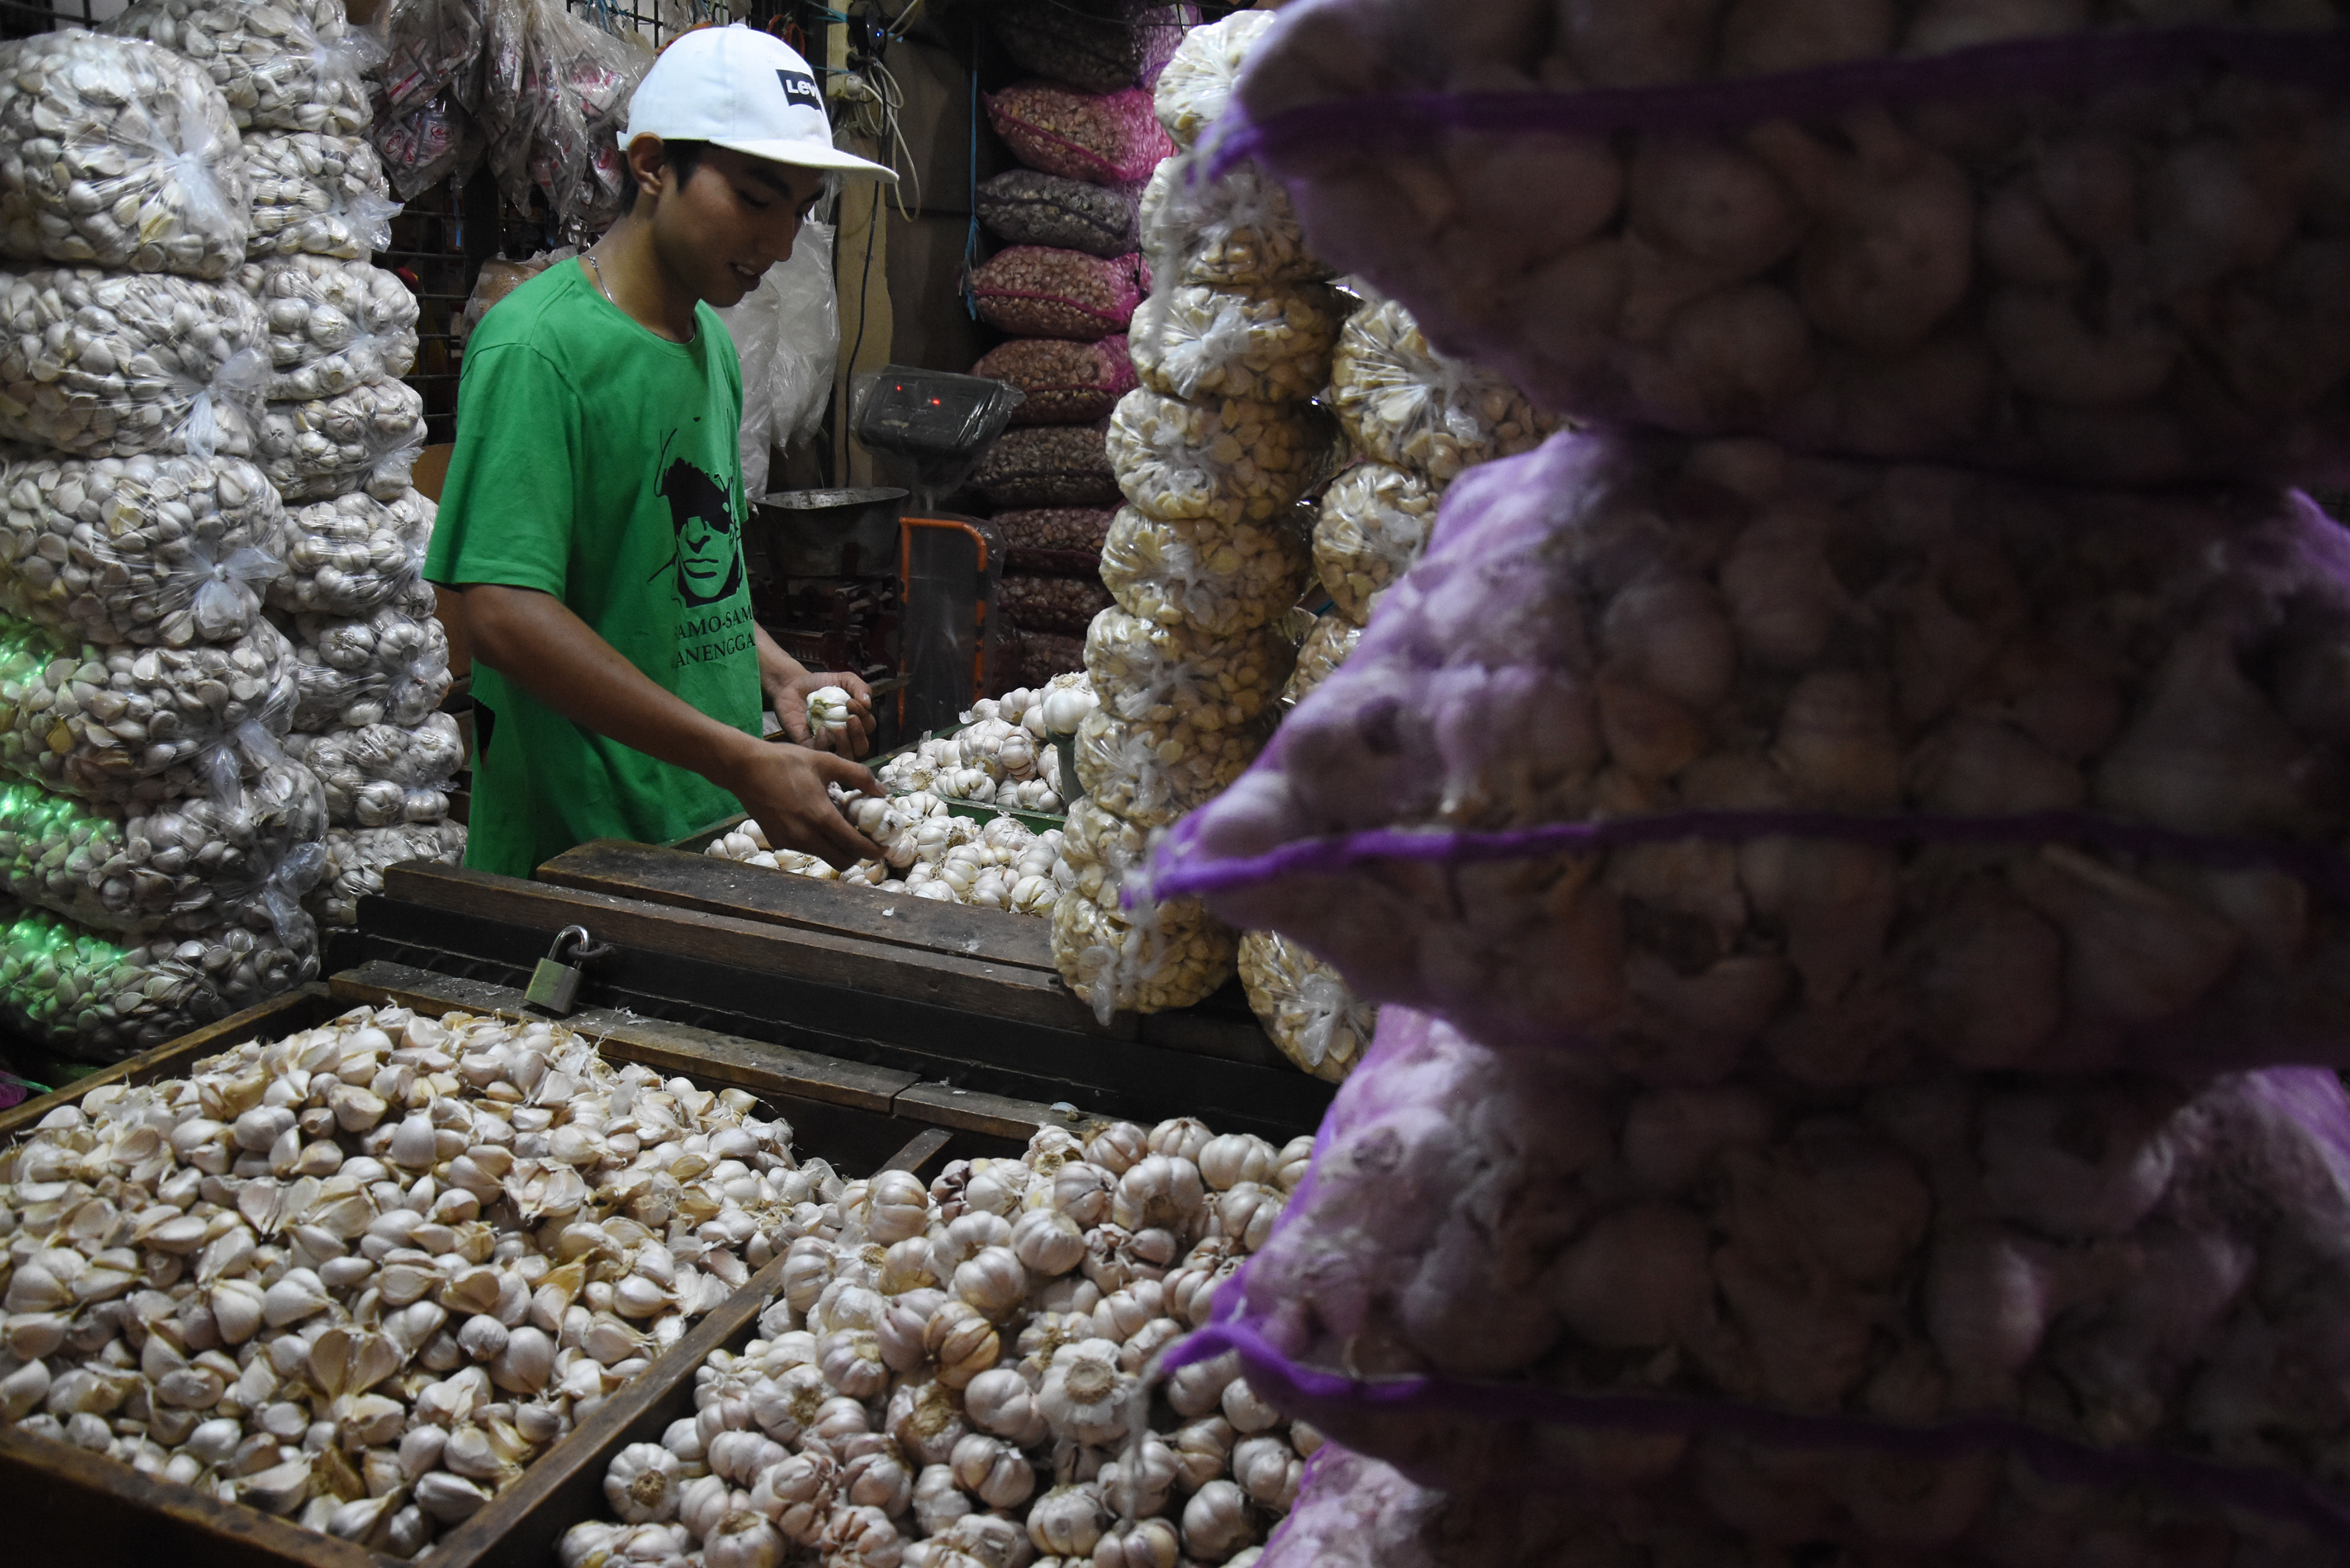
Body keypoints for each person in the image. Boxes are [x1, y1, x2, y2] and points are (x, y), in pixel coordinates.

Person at [425, 25, 891, 880]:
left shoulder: (710, 344)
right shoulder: (538, 348)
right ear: (650, 166)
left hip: (700, 835)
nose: (780, 243)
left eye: (799, 210)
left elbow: (676, 586)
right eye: (755, 199)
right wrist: (738, 758)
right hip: (578, 860)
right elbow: (504, 616)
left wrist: (781, 676)